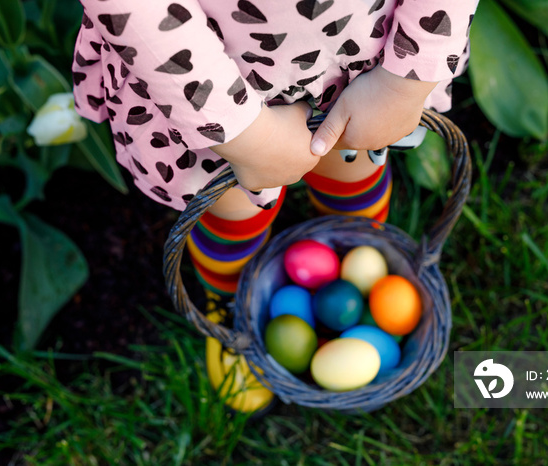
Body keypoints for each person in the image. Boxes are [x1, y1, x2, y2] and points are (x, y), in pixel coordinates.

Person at [73, 0, 479, 412]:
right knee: (231, 206)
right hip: (213, 85)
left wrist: (401, 81)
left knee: (353, 165)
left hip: (358, 51)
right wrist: (243, 135)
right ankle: (235, 306)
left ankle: (354, 252)